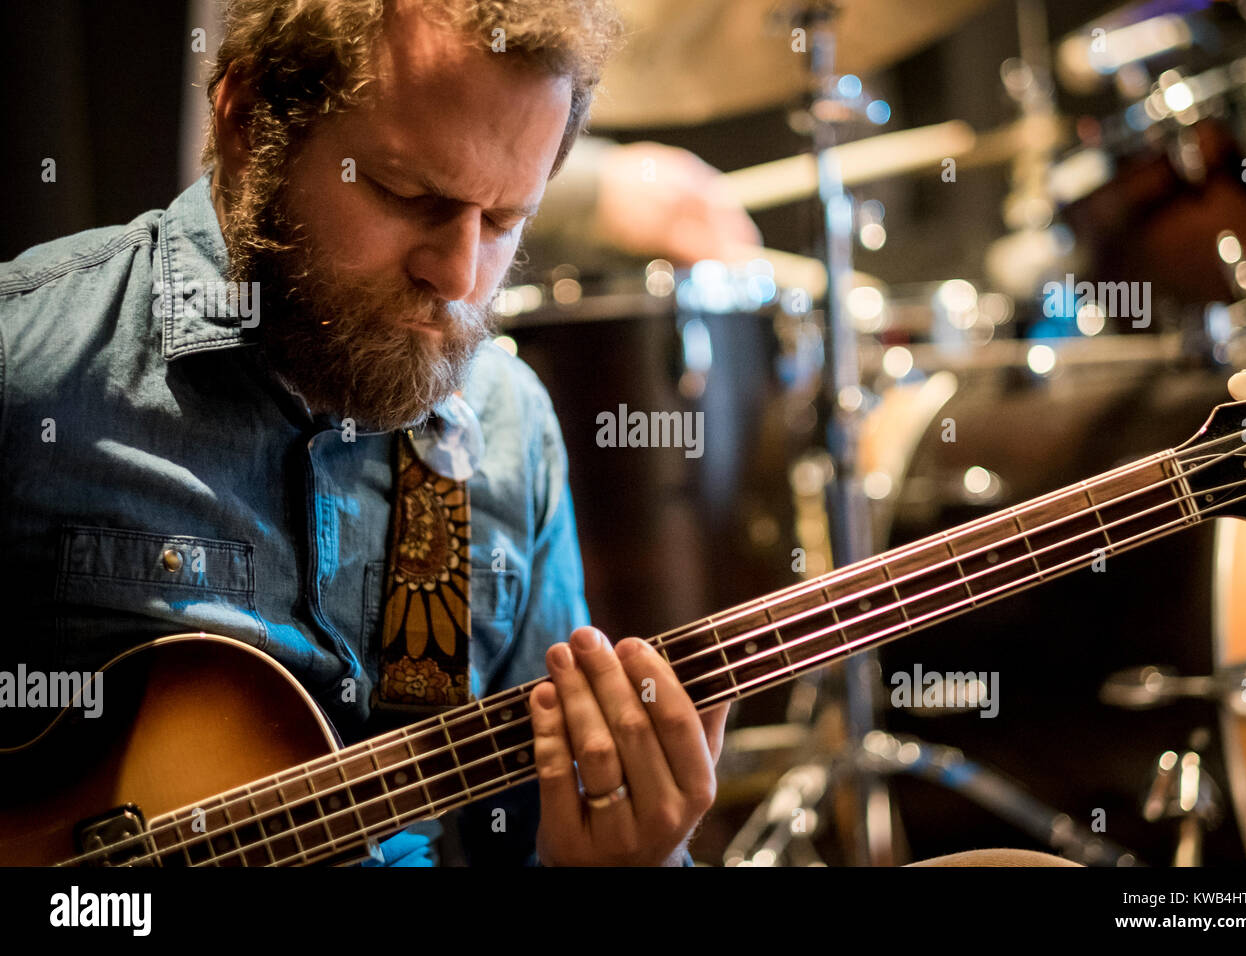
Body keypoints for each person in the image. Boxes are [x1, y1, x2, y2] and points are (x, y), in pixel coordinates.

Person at [0, 0, 728, 867]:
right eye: (408, 193)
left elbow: (532, 836)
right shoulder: (28, 368)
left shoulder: (504, 425)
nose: (459, 275)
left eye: (504, 222)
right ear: (246, 121)